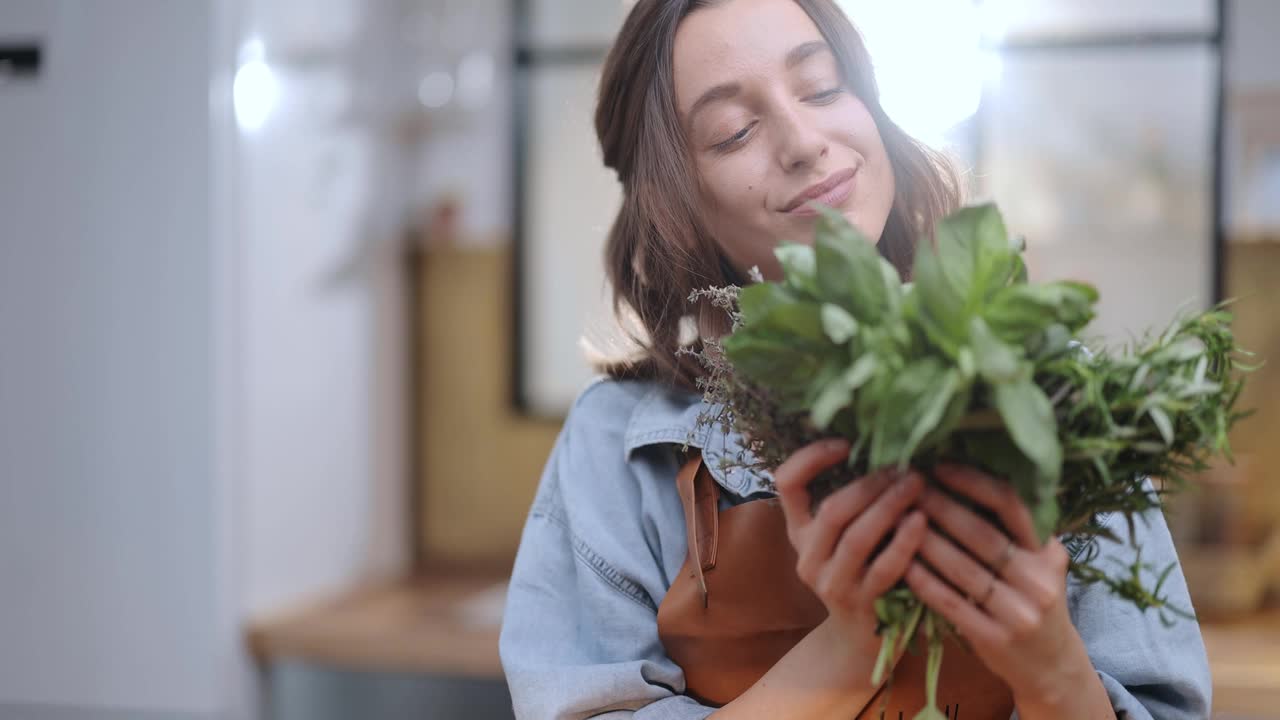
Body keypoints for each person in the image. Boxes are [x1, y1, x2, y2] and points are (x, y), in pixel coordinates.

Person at [498, 1, 1213, 718]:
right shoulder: (617, 450)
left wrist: (1053, 668)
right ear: (671, 203)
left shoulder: (1054, 398)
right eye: (733, 131)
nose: (804, 140)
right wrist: (858, 643)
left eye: (822, 87)